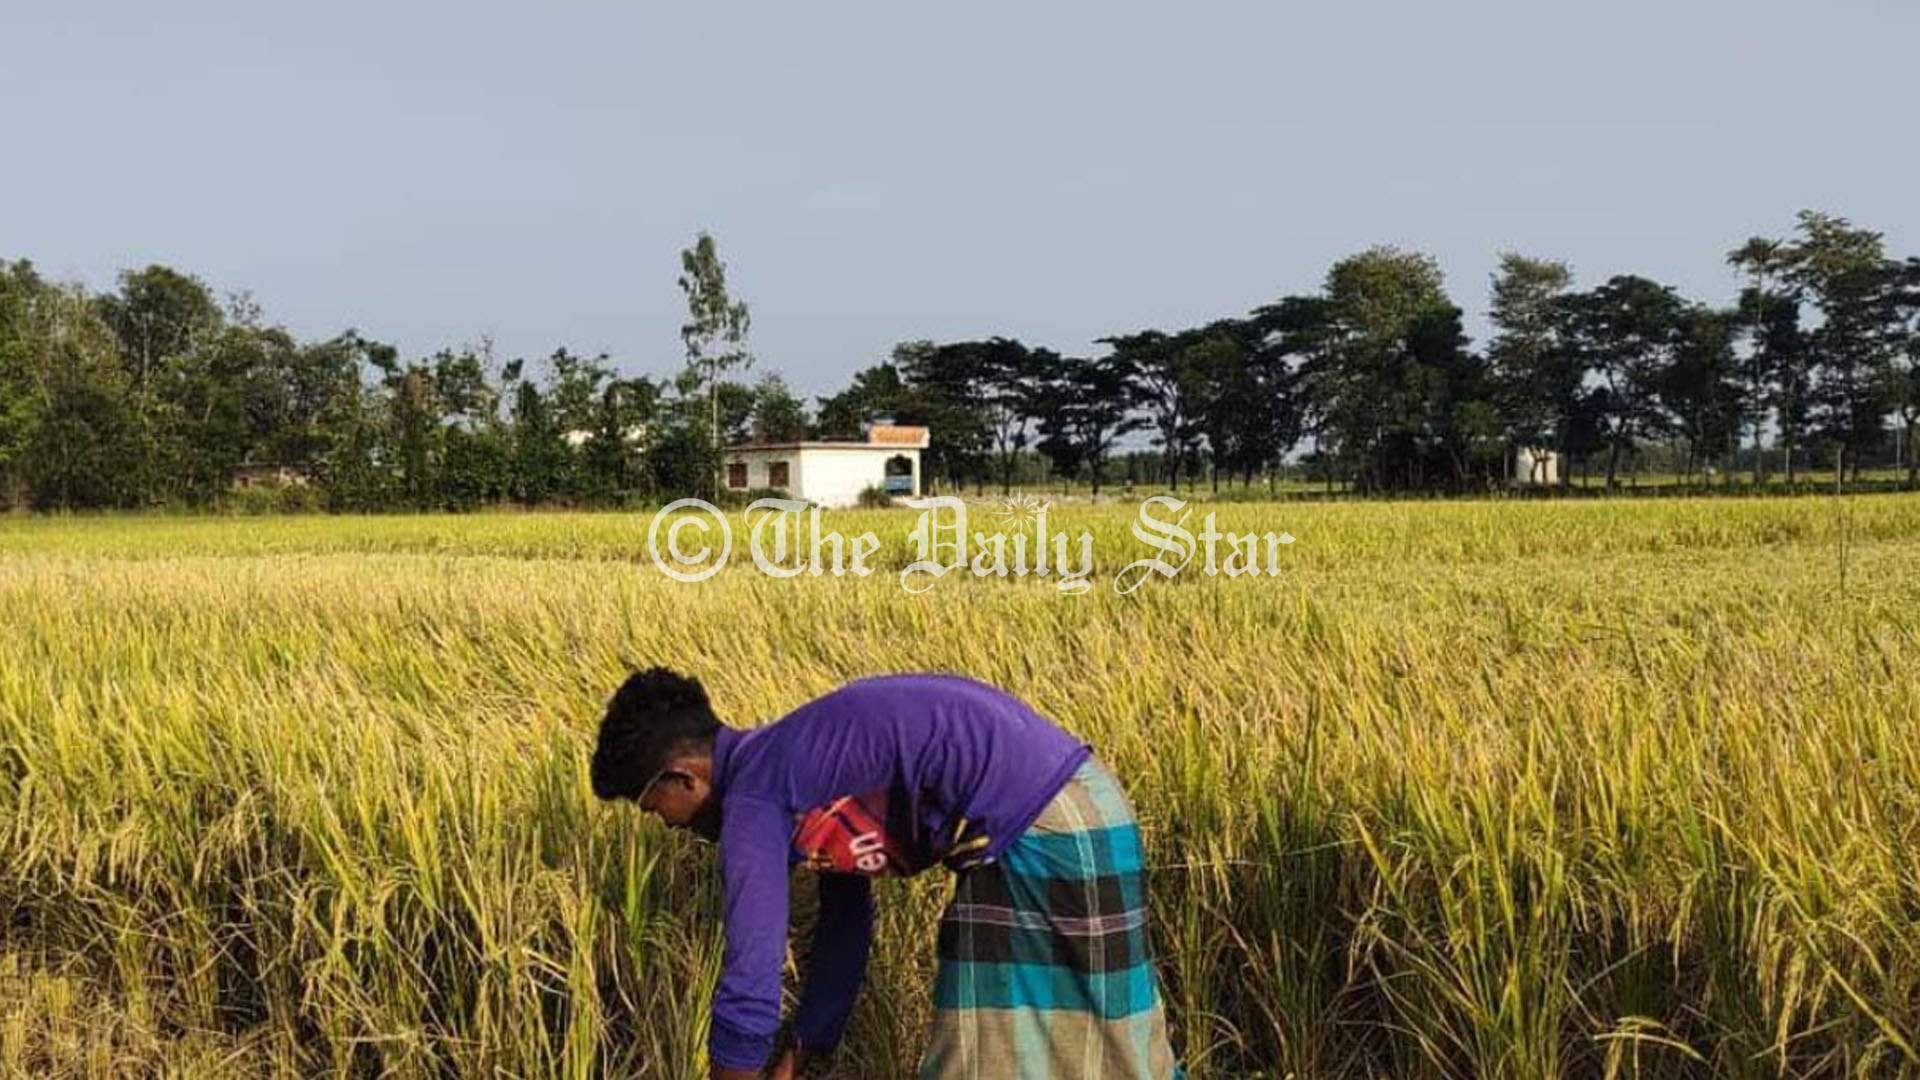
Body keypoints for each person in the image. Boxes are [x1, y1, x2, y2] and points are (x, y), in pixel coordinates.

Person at [591, 668, 1185, 1079]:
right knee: (1110, 1045)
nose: (668, 826)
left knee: (981, 1060)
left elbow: (751, 979)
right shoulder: (798, 763)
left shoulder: (756, 795)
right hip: (1089, 810)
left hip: (1038, 830)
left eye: (653, 809)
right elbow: (844, 925)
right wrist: (808, 1046)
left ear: (681, 777)